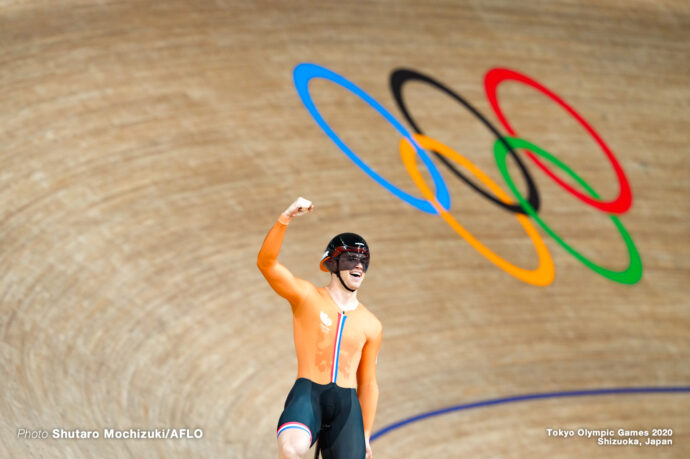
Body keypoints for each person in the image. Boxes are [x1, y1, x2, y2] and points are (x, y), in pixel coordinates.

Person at [257, 197, 383, 459]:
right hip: (309, 394)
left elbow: (368, 383)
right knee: (290, 450)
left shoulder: (371, 324)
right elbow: (266, 265)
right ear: (333, 264)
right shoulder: (307, 297)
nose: (359, 265)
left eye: (364, 260)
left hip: (347, 409)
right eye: (350, 259)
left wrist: (366, 435)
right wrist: (285, 218)